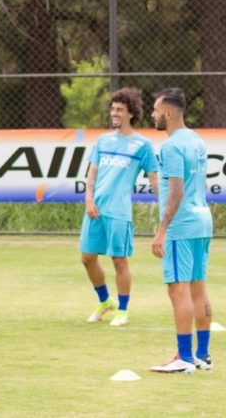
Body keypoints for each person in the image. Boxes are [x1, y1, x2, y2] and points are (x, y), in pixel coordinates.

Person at [80, 87, 158, 327]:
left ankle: (122, 310)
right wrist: (89, 199)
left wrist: (165, 209)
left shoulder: (142, 145)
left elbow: (154, 179)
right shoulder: (103, 141)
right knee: (87, 258)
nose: (114, 113)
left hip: (119, 212)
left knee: (119, 260)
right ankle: (105, 302)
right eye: (113, 109)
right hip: (95, 209)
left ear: (131, 113)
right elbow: (91, 174)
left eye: (119, 110)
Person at [149, 88, 213, 374]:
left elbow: (176, 191)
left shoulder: (171, 146)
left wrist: (162, 229)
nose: (152, 115)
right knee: (198, 289)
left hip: (182, 226)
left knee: (178, 290)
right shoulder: (197, 140)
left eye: (155, 110)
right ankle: (203, 355)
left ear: (168, 113)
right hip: (202, 222)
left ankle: (184, 358)